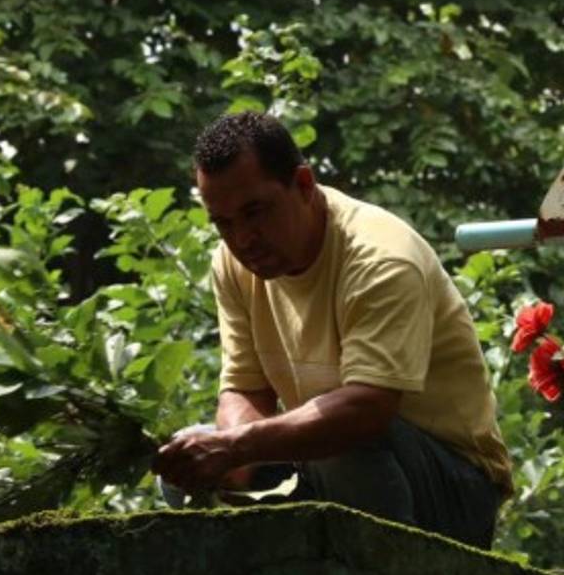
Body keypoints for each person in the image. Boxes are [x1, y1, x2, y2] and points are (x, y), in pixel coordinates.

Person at [152, 112, 511, 548]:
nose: (243, 239)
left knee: (339, 442)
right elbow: (244, 390)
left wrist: (238, 447)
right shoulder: (232, 265)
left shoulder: (382, 259)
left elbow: (367, 410)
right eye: (223, 223)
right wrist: (233, 457)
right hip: (330, 464)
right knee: (183, 462)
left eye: (255, 212)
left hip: (454, 489)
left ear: (304, 185)